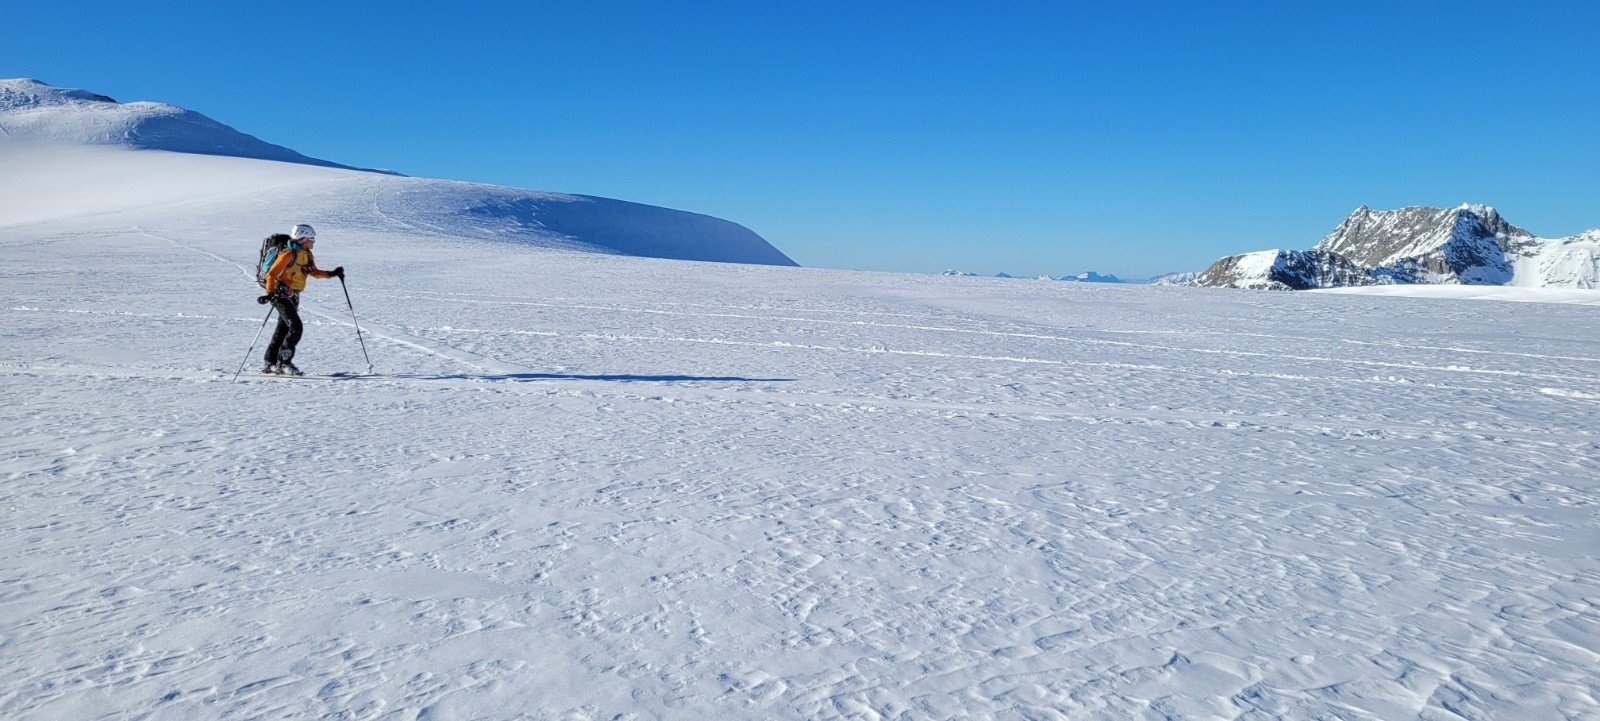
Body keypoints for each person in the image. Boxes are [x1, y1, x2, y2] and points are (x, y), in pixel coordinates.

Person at [257, 223, 343, 375]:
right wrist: (270, 293)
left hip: (294, 295)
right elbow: (271, 274)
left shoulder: (306, 254)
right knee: (296, 327)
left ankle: (270, 362)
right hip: (280, 294)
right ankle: (284, 363)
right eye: (311, 239)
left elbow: (313, 272)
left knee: (283, 328)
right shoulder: (288, 254)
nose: (313, 242)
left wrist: (332, 273)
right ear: (303, 239)